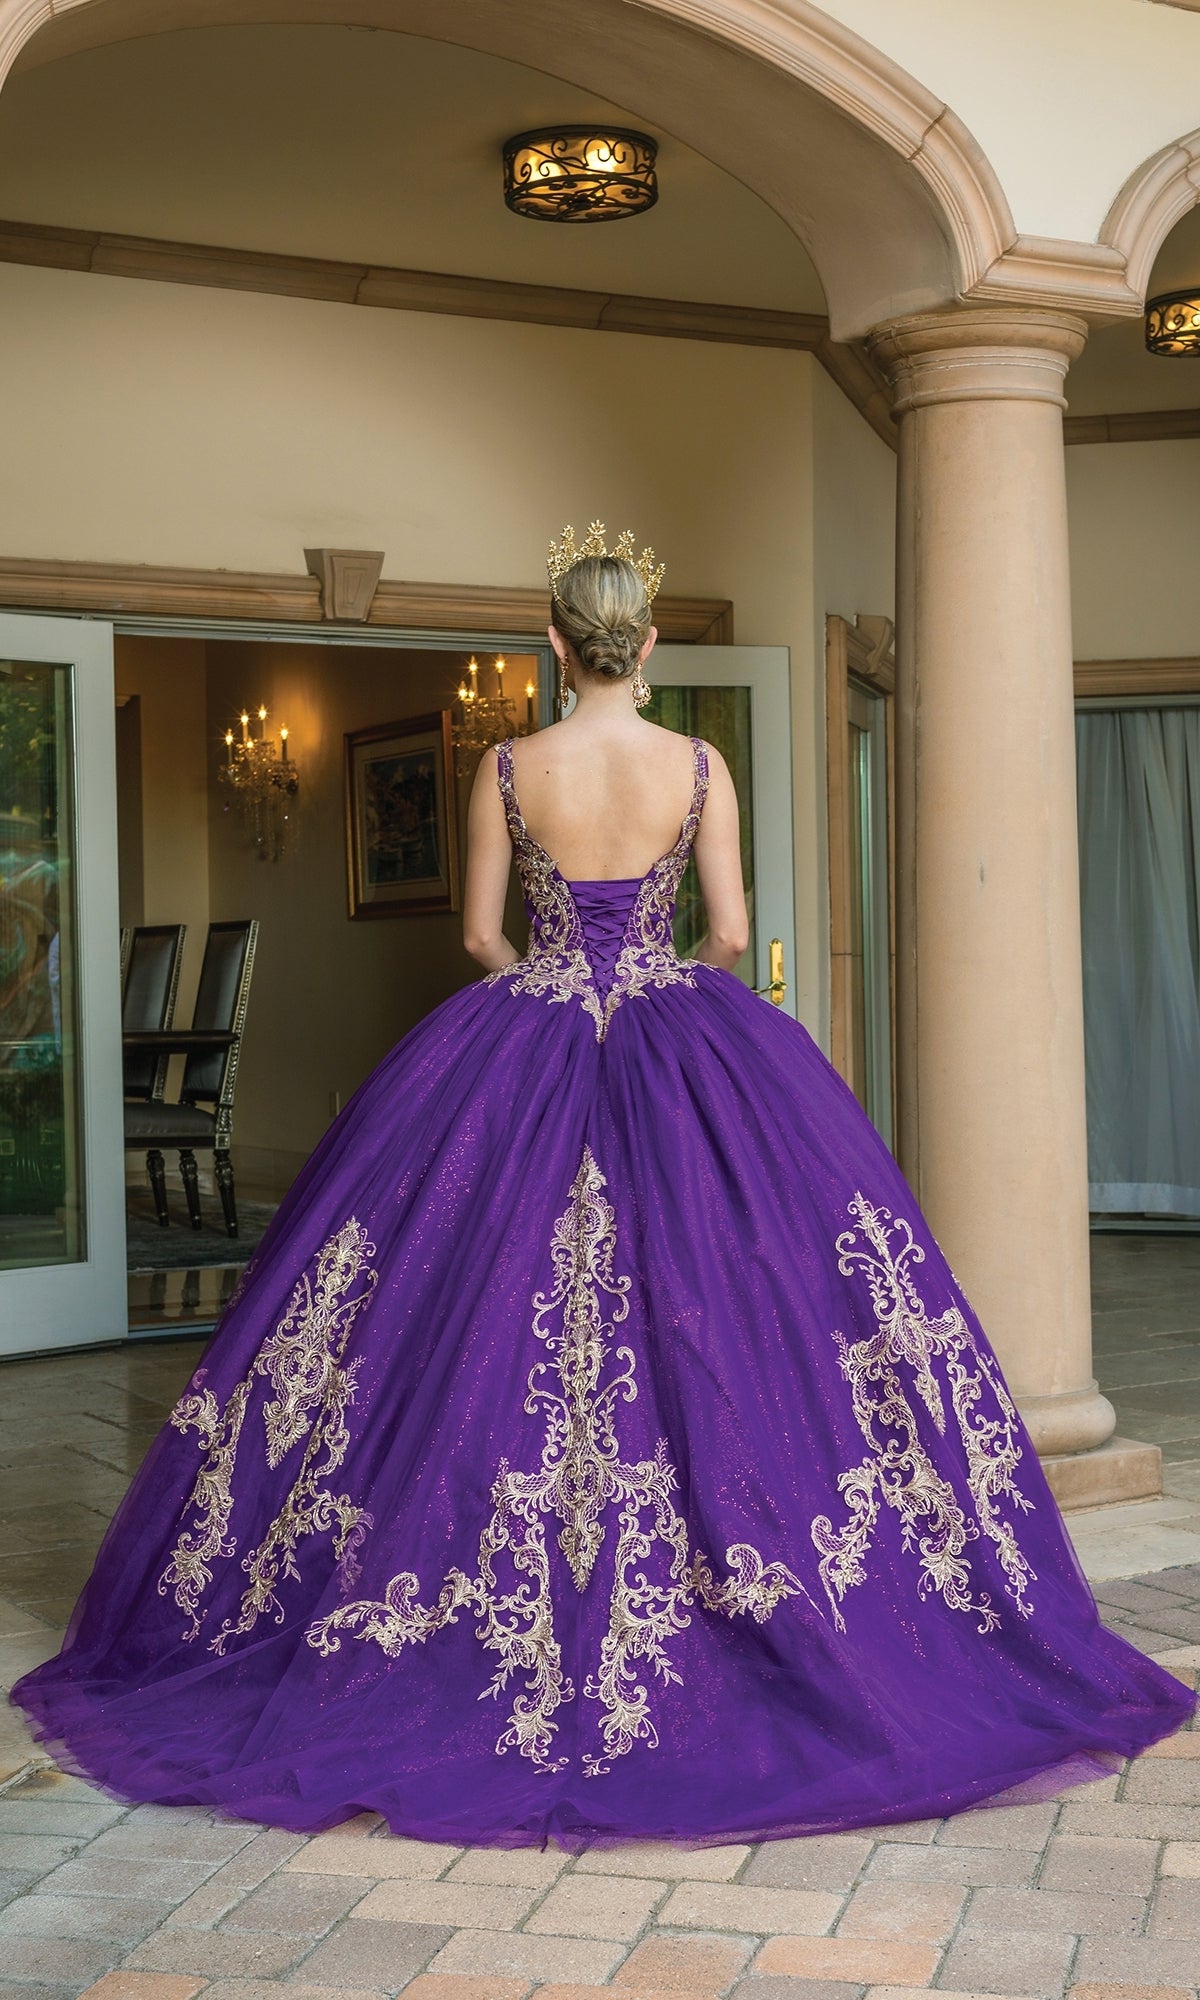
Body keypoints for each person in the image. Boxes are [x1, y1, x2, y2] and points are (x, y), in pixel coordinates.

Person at [13, 525, 1194, 1850]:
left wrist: (550, 975)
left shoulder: (511, 765)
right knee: (734, 1309)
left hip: (527, 1032)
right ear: (648, 643)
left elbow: (474, 932)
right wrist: (656, 970)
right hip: (682, 1040)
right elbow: (735, 932)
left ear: (557, 642)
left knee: (456, 1320)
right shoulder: (699, 764)